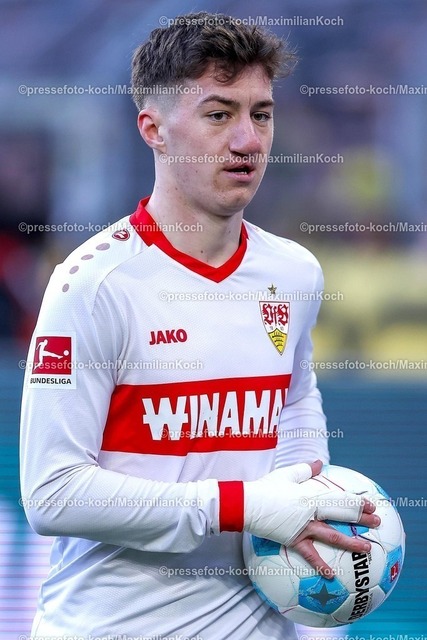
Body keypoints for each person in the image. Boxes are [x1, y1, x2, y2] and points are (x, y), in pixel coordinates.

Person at [20, 12, 379, 639]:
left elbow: (294, 403)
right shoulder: (94, 286)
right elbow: (53, 494)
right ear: (153, 130)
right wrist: (243, 507)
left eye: (261, 114)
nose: (247, 140)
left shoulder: (293, 272)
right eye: (219, 114)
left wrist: (306, 492)